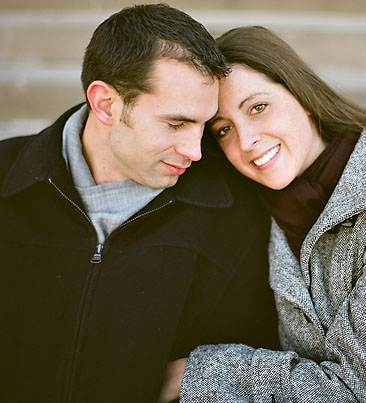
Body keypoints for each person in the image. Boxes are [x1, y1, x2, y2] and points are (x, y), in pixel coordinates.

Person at [174, 26, 366, 402]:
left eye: (258, 107)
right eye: (223, 129)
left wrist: (195, 372)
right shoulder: (253, 199)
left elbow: (361, 389)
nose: (246, 141)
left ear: (302, 96)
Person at [0, 8, 280, 403]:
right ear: (107, 105)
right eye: (175, 123)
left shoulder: (237, 213)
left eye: (204, 125)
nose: (195, 151)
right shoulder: (5, 182)